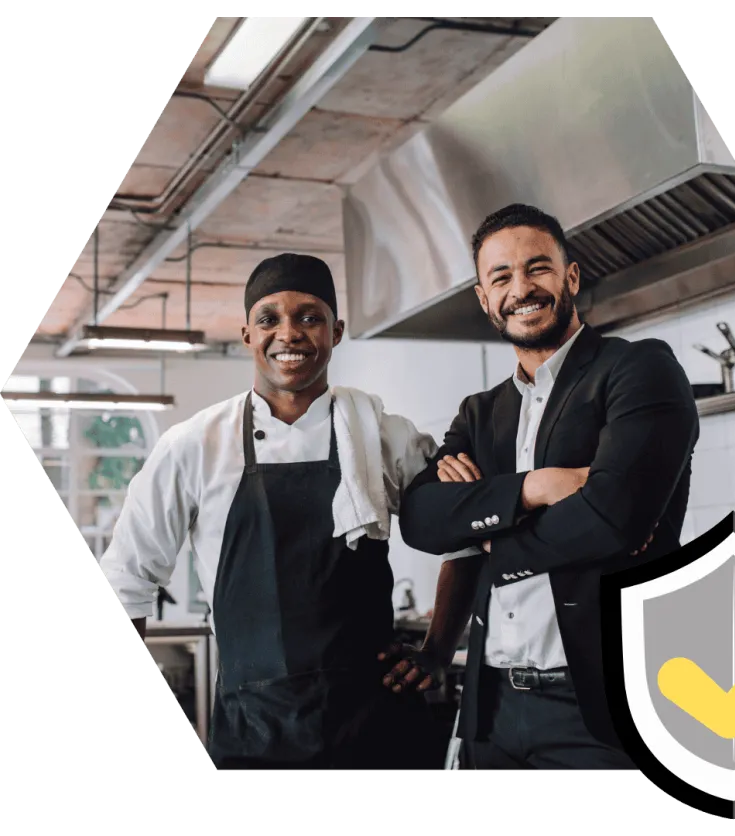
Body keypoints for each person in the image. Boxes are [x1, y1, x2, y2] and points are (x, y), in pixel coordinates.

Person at [98, 253, 451, 775]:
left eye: (309, 316)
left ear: (337, 331)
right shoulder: (193, 446)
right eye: (269, 319)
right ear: (247, 335)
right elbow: (126, 583)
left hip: (377, 725)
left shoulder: (382, 434)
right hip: (255, 736)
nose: (290, 333)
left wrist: (438, 649)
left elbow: (463, 536)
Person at [387, 203, 700, 773]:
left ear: (571, 278)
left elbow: (613, 518)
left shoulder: (636, 369)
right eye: (501, 277)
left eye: (538, 268)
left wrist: (488, 537)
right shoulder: (479, 415)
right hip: (494, 708)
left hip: (604, 710)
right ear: (484, 299)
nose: (521, 288)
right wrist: (533, 489)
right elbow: (423, 520)